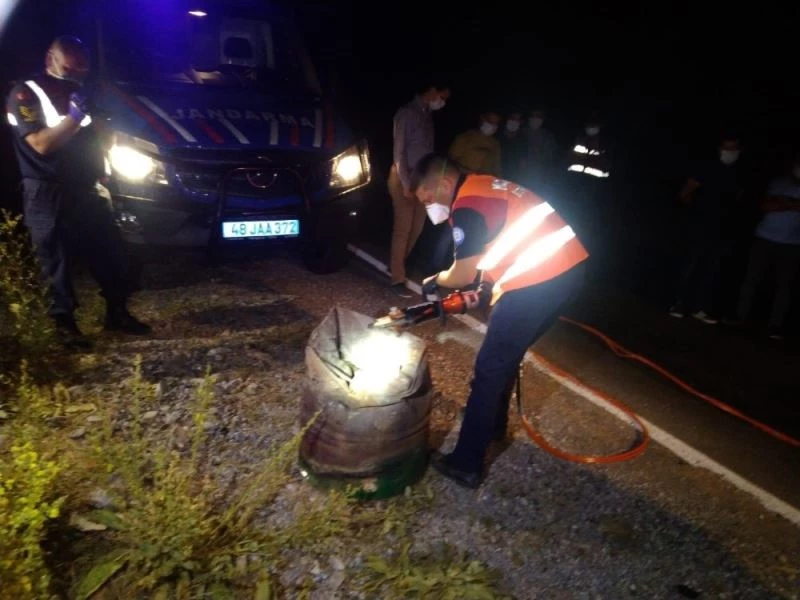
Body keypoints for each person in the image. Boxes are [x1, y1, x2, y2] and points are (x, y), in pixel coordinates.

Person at [412, 154, 589, 488]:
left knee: (490, 368)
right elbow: (498, 244)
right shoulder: (483, 185)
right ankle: (492, 425)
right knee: (505, 356)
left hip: (539, 279)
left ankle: (466, 464)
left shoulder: (467, 206)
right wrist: (486, 287)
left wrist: (435, 281)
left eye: (428, 199)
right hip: (567, 271)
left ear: (445, 183)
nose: (429, 207)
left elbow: (462, 273)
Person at [5, 35, 150, 347]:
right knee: (55, 260)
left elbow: (100, 138)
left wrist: (105, 138)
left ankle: (117, 313)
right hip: (47, 190)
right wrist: (74, 117)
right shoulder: (25, 93)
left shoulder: (84, 91)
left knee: (110, 253)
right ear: (50, 59)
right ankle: (64, 327)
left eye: (82, 70)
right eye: (69, 69)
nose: (76, 76)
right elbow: (40, 144)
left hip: (88, 186)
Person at [670, 135, 745, 324]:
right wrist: (694, 214)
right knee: (690, 265)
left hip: (721, 229)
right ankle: (678, 303)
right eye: (726, 148)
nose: (730, 152)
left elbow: (737, 199)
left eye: (733, 148)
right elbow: (686, 192)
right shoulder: (706, 167)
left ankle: (699, 308)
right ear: (720, 149)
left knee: (711, 269)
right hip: (699, 225)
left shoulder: (737, 173)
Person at [388, 79, 450, 297]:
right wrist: (406, 184)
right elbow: (399, 152)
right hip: (403, 176)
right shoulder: (406, 113)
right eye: (441, 97)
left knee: (417, 228)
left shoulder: (427, 116)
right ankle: (397, 278)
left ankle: (397, 266)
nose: (442, 102)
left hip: (422, 180)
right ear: (432, 90)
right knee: (403, 229)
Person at [734, 154, 800, 339]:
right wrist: (792, 204)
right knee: (751, 279)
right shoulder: (778, 182)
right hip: (764, 237)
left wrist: (784, 202)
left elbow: (778, 204)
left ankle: (775, 325)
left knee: (784, 286)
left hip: (792, 244)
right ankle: (739, 316)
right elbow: (766, 205)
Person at [448, 110, 502, 176]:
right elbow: (451, 161)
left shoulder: (496, 144)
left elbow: (497, 169)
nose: (492, 125)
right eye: (490, 121)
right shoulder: (465, 137)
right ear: (482, 118)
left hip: (485, 181)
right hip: (464, 178)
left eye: (495, 124)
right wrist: (469, 172)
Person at [524, 107, 557, 193]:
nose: (535, 118)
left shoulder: (548, 136)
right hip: (522, 176)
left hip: (540, 178)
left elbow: (551, 159)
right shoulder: (522, 133)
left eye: (538, 116)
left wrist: (547, 178)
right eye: (533, 116)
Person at [567, 113, 610, 179]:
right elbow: (569, 157)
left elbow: (607, 164)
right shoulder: (578, 140)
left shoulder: (604, 144)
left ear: (599, 127)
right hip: (574, 179)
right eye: (589, 126)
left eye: (593, 126)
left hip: (595, 181)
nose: (590, 129)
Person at [499, 111, 527, 182]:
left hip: (514, 178)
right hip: (496, 176)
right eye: (513, 118)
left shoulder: (523, 140)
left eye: (518, 120)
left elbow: (523, 163)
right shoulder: (497, 136)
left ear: (521, 122)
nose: (514, 122)